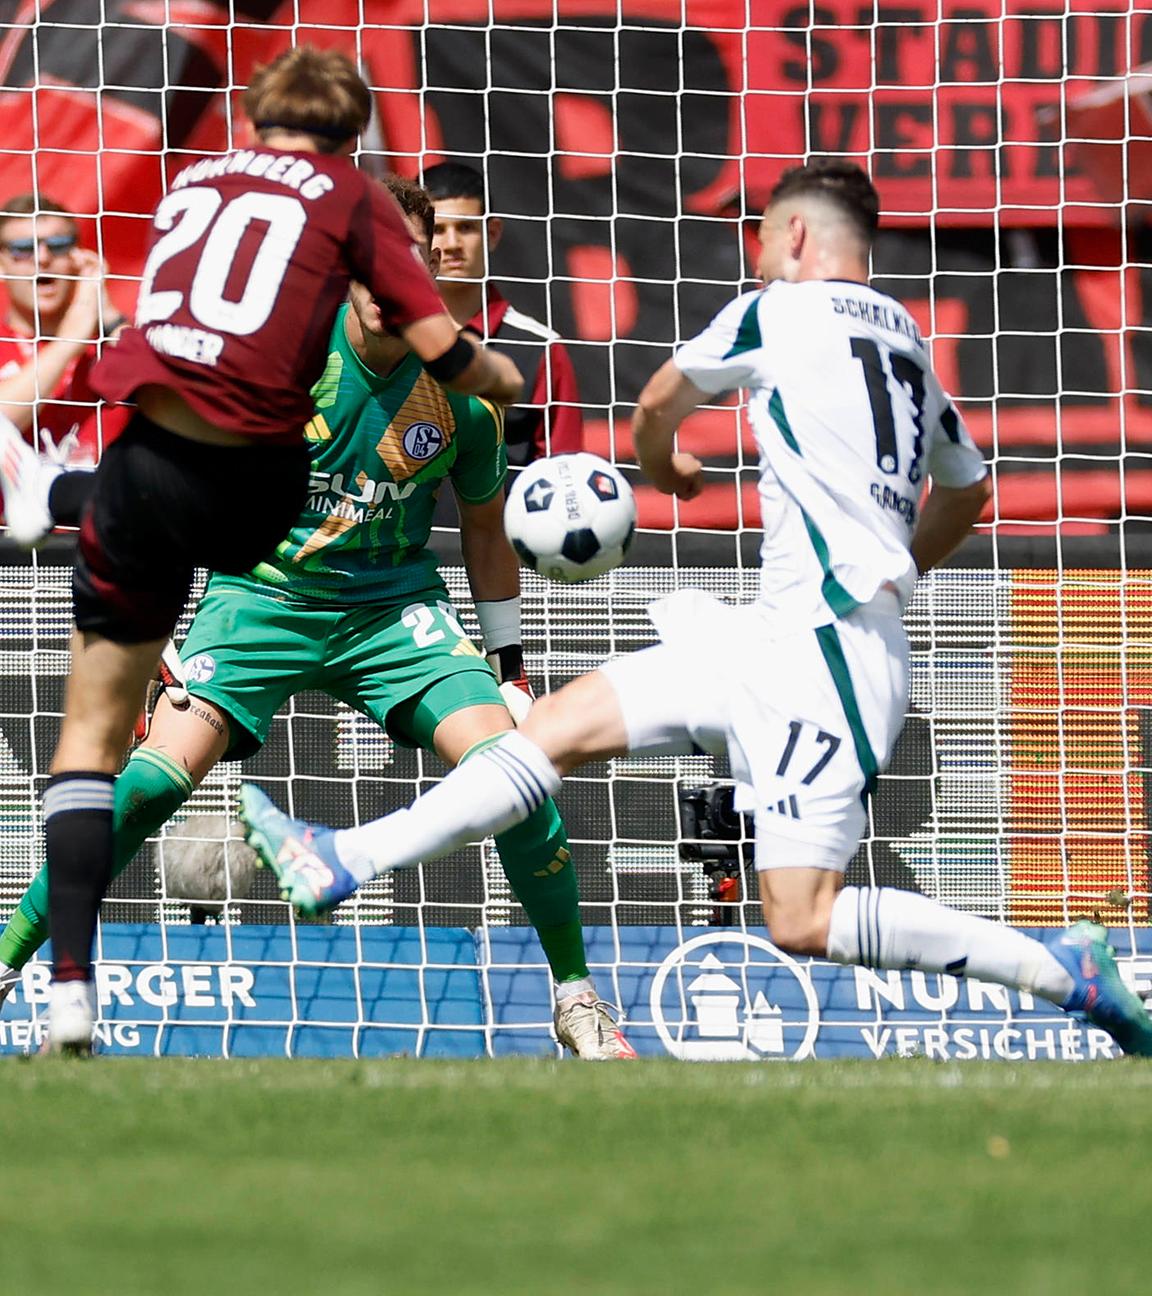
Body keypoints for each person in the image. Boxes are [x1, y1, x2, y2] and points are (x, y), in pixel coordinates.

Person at [241, 158, 1152, 1058]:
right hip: (788, 633)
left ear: (795, 236)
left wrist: (662, 461)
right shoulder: (909, 341)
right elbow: (969, 493)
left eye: (760, 236)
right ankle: (345, 858)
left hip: (825, 655)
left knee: (802, 915)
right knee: (551, 726)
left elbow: (657, 401)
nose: (755, 257)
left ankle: (1057, 965)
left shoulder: (778, 307)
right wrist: (889, 567)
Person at [0, 177, 631, 1060]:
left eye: (401, 263)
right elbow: (173, 491)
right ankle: (9, 963)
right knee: (145, 785)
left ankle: (577, 1002)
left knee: (518, 779)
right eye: (366, 263)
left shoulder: (463, 400)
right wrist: (162, 637)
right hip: (257, 597)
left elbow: (486, 532)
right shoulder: (276, 368)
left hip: (393, 611)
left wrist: (512, 667)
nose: (385, 283)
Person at [39, 45, 523, 1054]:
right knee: (274, 502)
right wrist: (502, 382)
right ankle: (176, 615)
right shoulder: (350, 199)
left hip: (137, 471)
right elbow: (444, 345)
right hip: (250, 496)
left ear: (253, 124)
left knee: (86, 749)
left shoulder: (189, 183)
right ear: (351, 141)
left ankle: (68, 990)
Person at [422, 161, 583, 466]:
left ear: (492, 233)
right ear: (417, 236)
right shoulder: (389, 333)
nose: (453, 244)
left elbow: (564, 473)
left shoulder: (541, 348)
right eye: (438, 230)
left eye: (466, 227)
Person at [0, 195, 130, 543]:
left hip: (109, 545)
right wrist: (69, 342)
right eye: (23, 248)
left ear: (77, 257)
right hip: (12, 549)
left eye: (58, 245)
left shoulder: (111, 345)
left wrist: (106, 311)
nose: (42, 258)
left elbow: (169, 392)